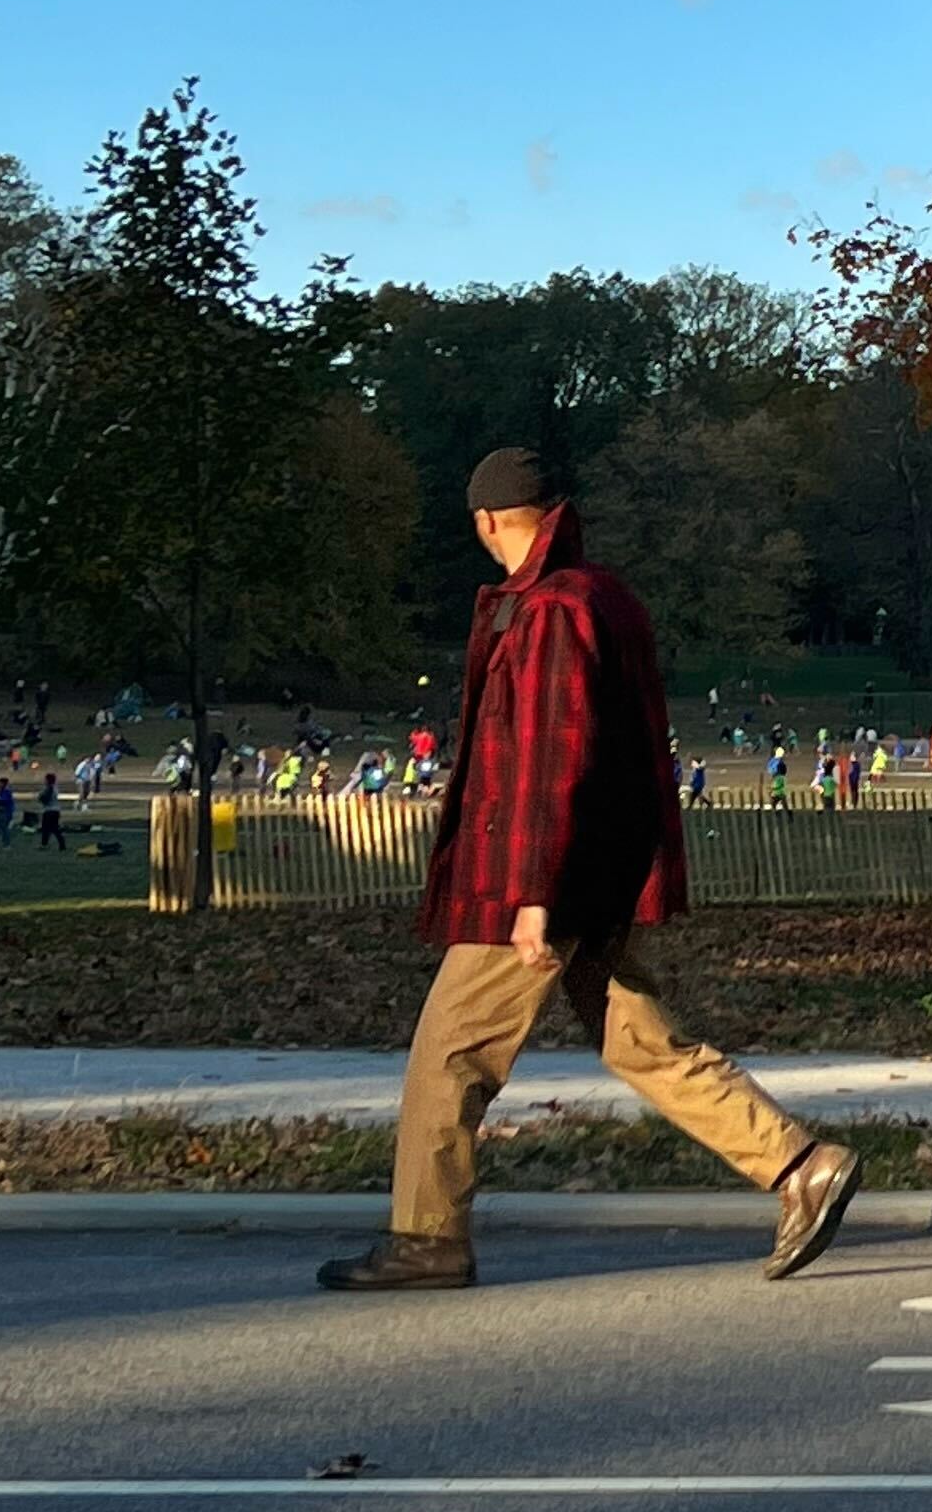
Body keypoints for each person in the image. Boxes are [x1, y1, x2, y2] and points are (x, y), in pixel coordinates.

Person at [315, 448, 859, 1294]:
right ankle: (801, 1167)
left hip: (539, 880)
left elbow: (548, 763)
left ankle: (426, 1241)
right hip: (598, 869)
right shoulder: (602, 595)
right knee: (642, 1039)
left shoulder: (547, 612)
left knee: (448, 1053)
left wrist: (535, 893)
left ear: (487, 521)